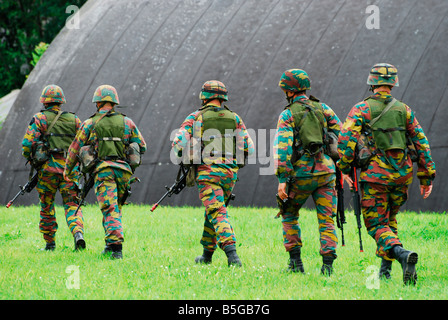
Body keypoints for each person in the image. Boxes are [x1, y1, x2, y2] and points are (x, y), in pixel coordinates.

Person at [337, 63, 436, 285]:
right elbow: (422, 143)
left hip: (375, 177)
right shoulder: (405, 110)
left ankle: (401, 255)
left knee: (376, 224)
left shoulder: (361, 109)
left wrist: (344, 169)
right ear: (393, 83)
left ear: (372, 83)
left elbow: (345, 141)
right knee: (389, 219)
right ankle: (385, 271)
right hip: (402, 176)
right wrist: (426, 176)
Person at [172, 80, 254, 267]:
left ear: (204, 97)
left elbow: (178, 144)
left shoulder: (195, 117)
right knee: (213, 209)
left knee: (217, 211)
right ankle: (206, 255)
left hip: (208, 173)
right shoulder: (235, 118)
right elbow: (249, 147)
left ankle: (233, 256)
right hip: (229, 174)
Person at [64, 85, 146, 259]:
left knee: (109, 208)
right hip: (124, 172)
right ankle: (110, 245)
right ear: (114, 102)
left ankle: (116, 250)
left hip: (104, 171)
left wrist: (67, 170)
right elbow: (142, 146)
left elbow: (74, 149)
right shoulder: (127, 122)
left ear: (98, 102)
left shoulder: (90, 123)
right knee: (115, 208)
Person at [274, 69, 342, 276]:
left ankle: (296, 264)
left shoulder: (287, 114)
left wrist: (282, 180)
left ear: (289, 90)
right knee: (327, 219)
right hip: (327, 172)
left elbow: (283, 148)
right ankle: (328, 268)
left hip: (301, 174)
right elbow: (342, 133)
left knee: (289, 214)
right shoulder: (323, 108)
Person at [22, 84, 85, 251]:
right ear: (61, 102)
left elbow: (27, 145)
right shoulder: (75, 120)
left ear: (44, 102)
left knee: (47, 206)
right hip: (70, 171)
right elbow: (84, 144)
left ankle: (50, 244)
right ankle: (78, 233)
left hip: (47, 171)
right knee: (72, 205)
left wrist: (34, 159)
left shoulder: (40, 119)